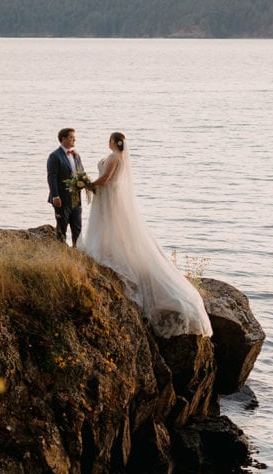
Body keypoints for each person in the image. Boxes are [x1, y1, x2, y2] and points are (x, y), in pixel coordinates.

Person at [79, 132, 212, 339]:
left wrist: (89, 185)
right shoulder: (119, 157)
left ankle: (106, 252)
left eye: (110, 140)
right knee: (113, 229)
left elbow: (106, 178)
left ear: (114, 142)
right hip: (110, 197)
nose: (109, 142)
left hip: (109, 198)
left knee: (110, 227)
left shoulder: (114, 157)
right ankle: (110, 249)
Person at [47, 127, 85, 246]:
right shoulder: (55, 156)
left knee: (77, 228)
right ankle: (61, 254)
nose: (74, 140)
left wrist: (85, 184)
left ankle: (77, 252)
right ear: (63, 139)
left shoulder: (76, 155)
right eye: (71, 137)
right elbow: (51, 177)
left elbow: (81, 173)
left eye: (74, 137)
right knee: (62, 228)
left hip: (76, 199)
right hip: (61, 199)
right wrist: (55, 196)